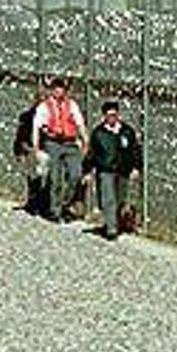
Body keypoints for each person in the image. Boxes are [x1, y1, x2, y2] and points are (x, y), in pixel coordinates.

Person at [31, 75, 89, 221]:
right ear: (52, 91)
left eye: (61, 89)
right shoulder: (44, 106)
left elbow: (80, 123)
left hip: (70, 143)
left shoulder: (72, 105)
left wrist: (85, 140)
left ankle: (64, 203)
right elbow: (36, 127)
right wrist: (36, 147)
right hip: (53, 142)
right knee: (55, 178)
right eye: (56, 89)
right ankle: (54, 210)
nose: (58, 92)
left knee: (76, 175)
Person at [84, 100, 143, 240]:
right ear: (104, 116)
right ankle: (111, 229)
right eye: (109, 115)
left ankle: (113, 222)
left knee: (120, 199)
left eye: (114, 115)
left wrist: (136, 167)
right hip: (105, 169)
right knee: (108, 198)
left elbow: (135, 150)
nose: (112, 118)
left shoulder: (127, 131)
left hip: (123, 169)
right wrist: (87, 170)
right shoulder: (98, 133)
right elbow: (92, 153)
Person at [12, 78, 49, 216]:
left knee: (43, 177)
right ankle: (34, 203)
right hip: (32, 150)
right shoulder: (28, 116)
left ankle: (40, 203)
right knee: (34, 178)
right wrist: (20, 150)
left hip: (46, 150)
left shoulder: (49, 116)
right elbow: (21, 135)